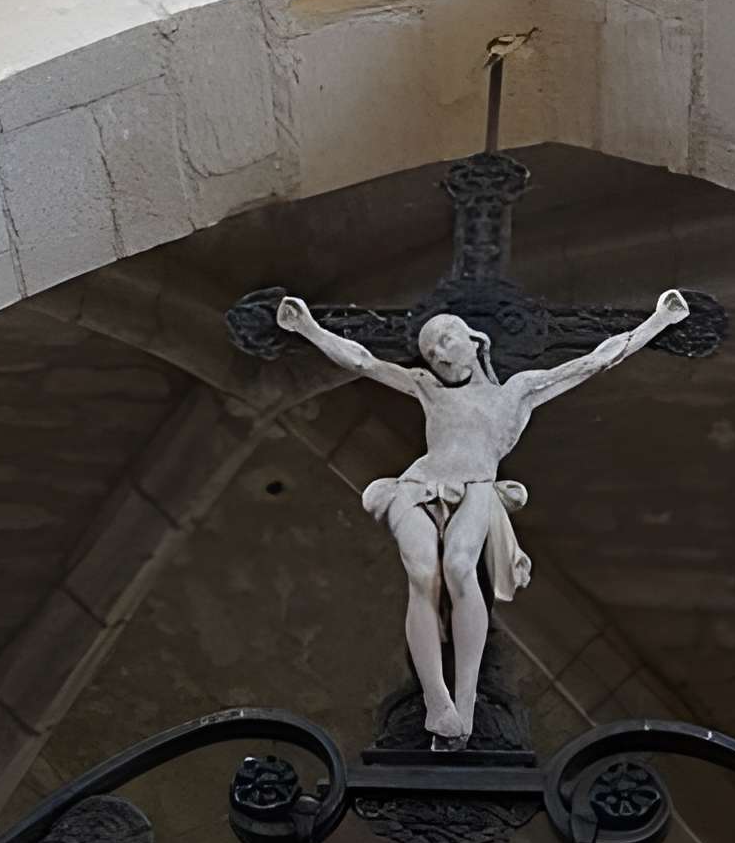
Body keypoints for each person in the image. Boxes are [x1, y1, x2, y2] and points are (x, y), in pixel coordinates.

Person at [274, 289, 690, 742]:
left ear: (474, 339)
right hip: (416, 485)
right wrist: (308, 327)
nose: (437, 353)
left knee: (458, 567)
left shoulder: (517, 391)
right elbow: (362, 361)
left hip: (477, 487)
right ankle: (439, 703)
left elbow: (595, 360)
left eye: (446, 338)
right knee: (422, 577)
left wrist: (658, 322)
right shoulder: (426, 387)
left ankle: (465, 708)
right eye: (430, 350)